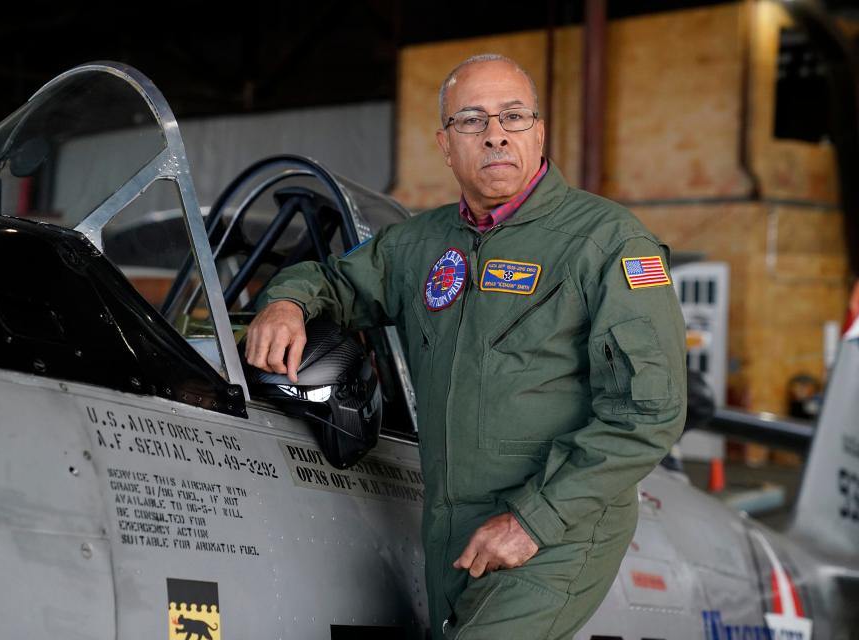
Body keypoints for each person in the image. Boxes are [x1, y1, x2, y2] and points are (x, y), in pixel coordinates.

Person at [245, 54, 687, 639]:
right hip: (453, 529)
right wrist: (286, 302)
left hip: (558, 529)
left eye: (513, 117)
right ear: (445, 144)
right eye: (472, 121)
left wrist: (534, 522)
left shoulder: (608, 244)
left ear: (539, 131)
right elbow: (336, 281)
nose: (496, 133)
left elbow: (649, 412)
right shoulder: (419, 244)